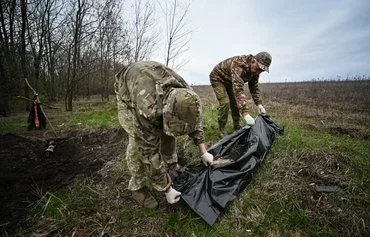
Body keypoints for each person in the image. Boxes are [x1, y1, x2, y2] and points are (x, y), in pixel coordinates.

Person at [114, 61, 214, 209]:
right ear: (166, 112)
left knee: (168, 132)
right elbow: (147, 150)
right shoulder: (147, 107)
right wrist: (165, 188)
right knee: (136, 144)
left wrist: (203, 151)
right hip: (129, 94)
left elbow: (193, 122)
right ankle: (137, 186)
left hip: (153, 85)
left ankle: (171, 166)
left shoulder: (187, 94)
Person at [209, 51, 272, 137]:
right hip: (218, 78)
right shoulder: (239, 64)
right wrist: (245, 114)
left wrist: (259, 104)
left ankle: (236, 125)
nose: (258, 73)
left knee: (234, 103)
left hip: (230, 81)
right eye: (258, 69)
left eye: (261, 71)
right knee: (225, 102)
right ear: (253, 61)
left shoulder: (255, 71)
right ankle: (222, 129)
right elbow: (238, 90)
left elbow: (254, 88)